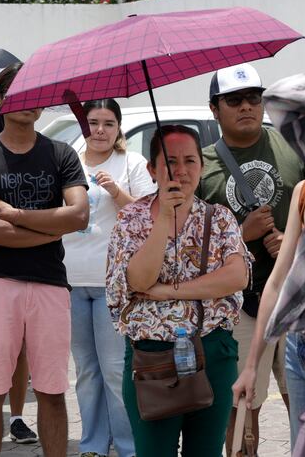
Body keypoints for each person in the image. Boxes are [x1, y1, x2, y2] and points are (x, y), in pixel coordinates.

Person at [0, 72, 89, 457]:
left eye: (38, 90)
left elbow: (80, 215)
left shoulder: (61, 153)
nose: (31, 99)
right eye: (19, 91)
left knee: (52, 392)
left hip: (50, 283)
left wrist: (15, 214)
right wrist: (51, 228)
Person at [107, 125, 250, 456]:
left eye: (190, 160)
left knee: (206, 451)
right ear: (152, 169)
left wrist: (170, 291)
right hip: (151, 359)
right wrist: (163, 221)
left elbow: (236, 275)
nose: (182, 171)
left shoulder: (220, 218)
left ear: (202, 166)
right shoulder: (131, 219)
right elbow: (139, 281)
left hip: (213, 352)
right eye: (171, 162)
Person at [198, 63, 304, 452]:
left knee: (301, 401)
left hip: (296, 295)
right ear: (214, 109)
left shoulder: (293, 144)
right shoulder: (203, 162)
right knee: (242, 406)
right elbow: (193, 244)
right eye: (234, 100)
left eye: (254, 98)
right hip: (238, 302)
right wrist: (242, 236)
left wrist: (294, 239)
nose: (247, 106)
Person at [60, 99, 156, 457]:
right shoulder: (67, 160)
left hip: (113, 283)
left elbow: (148, 218)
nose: (100, 130)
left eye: (108, 123)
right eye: (94, 122)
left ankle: (129, 447)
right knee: (86, 371)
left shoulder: (129, 163)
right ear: (84, 126)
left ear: (118, 129)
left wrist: (115, 191)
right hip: (71, 278)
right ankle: (93, 445)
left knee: (115, 371)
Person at [233, 73, 305, 452]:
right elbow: (278, 282)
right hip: (299, 344)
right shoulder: (303, 193)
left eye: (251, 98)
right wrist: (251, 365)